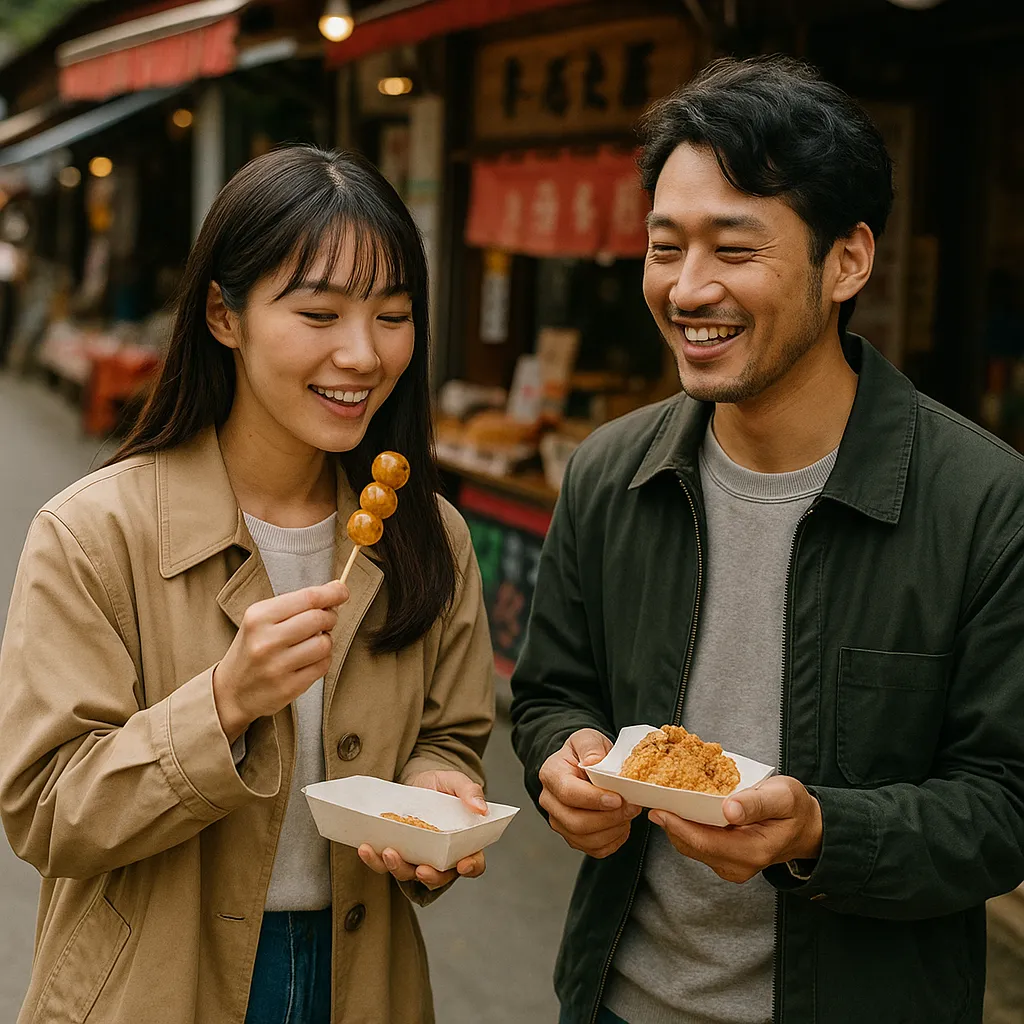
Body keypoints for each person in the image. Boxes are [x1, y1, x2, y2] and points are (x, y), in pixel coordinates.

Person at [510, 56, 1024, 1024]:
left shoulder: (985, 505)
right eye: (666, 247)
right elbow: (550, 691)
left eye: (734, 250)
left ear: (848, 261)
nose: (687, 288)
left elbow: (1005, 805)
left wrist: (821, 830)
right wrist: (563, 758)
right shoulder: (610, 472)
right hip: (618, 1000)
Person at [0, 146, 494, 1024]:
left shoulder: (430, 536)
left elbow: (448, 735)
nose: (362, 354)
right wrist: (223, 703)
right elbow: (46, 812)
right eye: (319, 314)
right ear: (224, 316)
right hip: (155, 982)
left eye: (393, 315)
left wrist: (434, 787)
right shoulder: (93, 534)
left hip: (361, 978)